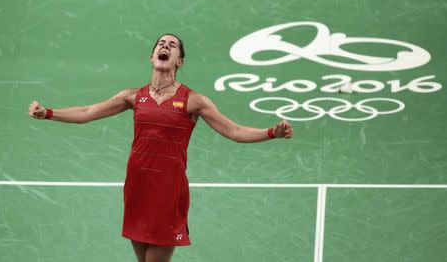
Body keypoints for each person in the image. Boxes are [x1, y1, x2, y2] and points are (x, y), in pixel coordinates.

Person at [28, 34, 294, 262]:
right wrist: (48, 113)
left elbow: (234, 131)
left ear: (179, 61)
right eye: (160, 43)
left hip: (168, 190)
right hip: (137, 186)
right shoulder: (133, 96)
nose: (165, 46)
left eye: (172, 45)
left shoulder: (193, 101)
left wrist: (271, 133)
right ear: (153, 55)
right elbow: (87, 111)